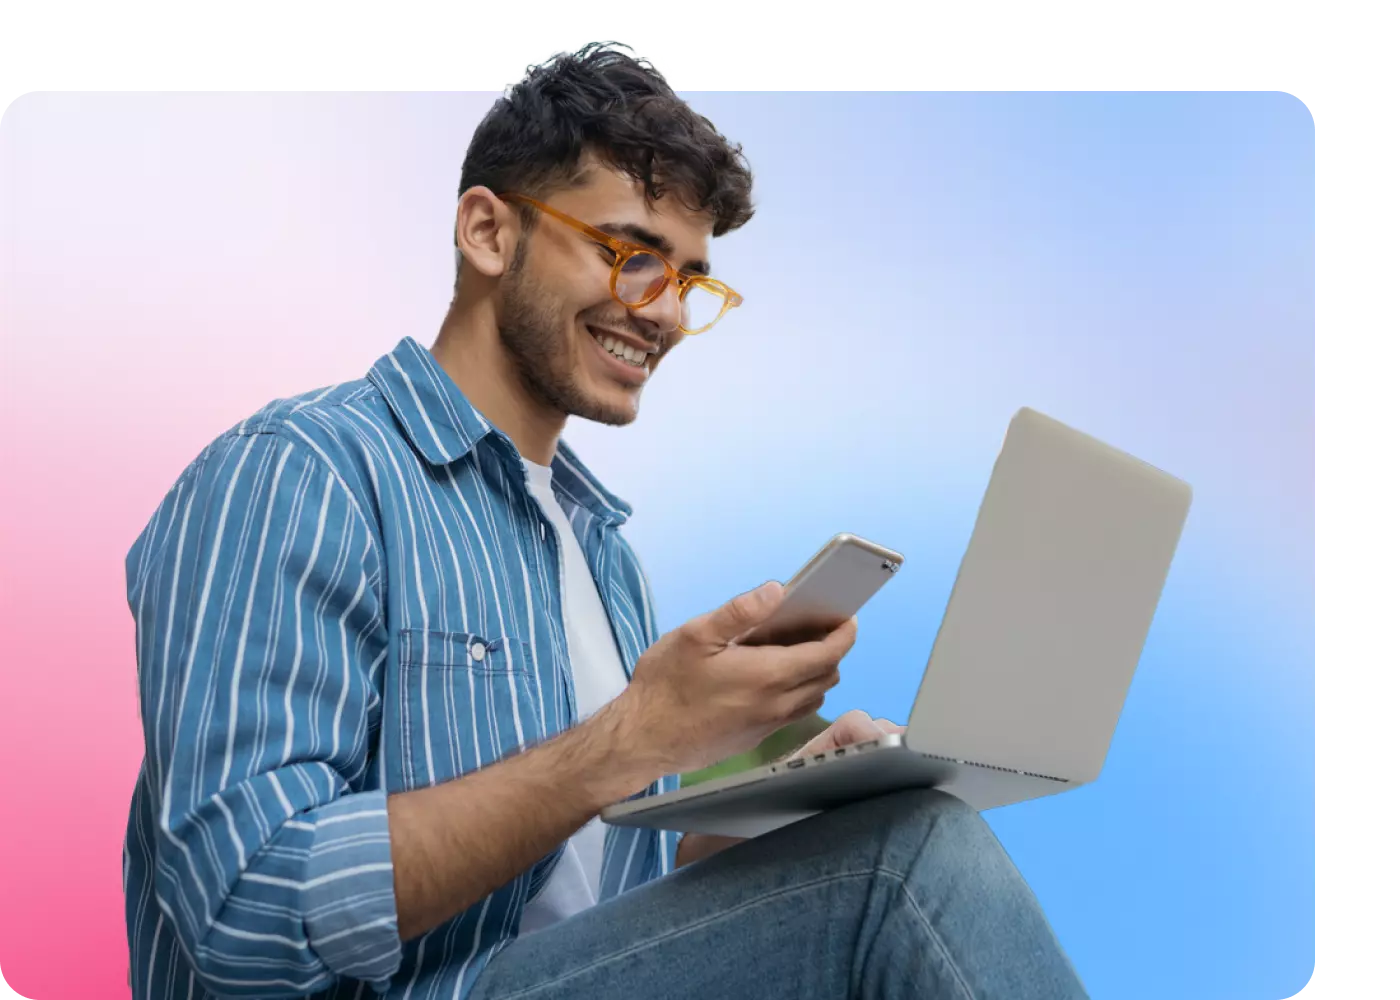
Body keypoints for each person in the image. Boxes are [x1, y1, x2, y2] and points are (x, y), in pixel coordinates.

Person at [122, 43, 1090, 1000]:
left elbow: (601, 920)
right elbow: (240, 911)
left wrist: (779, 808)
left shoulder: (603, 559)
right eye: (629, 255)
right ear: (488, 233)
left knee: (883, 830)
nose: (662, 311)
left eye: (687, 279)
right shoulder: (303, 471)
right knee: (905, 861)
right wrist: (632, 736)